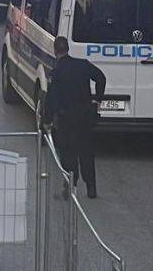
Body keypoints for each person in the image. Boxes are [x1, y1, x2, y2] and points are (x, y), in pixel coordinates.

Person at [40, 36, 105, 199]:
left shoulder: (57, 73)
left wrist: (46, 121)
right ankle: (91, 188)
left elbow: (51, 99)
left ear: (55, 51)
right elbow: (100, 78)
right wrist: (97, 99)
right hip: (85, 116)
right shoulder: (83, 65)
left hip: (67, 119)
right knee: (86, 152)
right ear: (68, 48)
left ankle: (70, 186)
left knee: (68, 154)